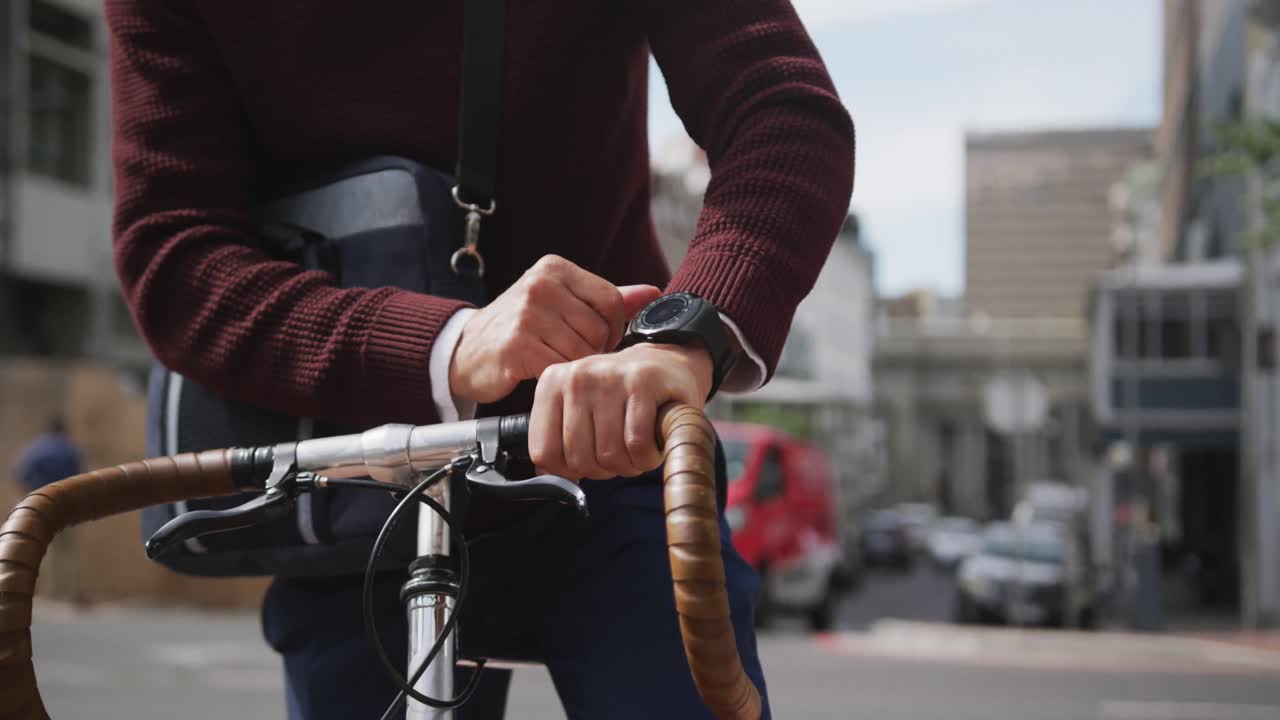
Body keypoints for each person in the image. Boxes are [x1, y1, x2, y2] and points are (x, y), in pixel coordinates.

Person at [106, 1, 854, 718]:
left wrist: (684, 338)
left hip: (603, 436)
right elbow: (176, 256)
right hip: (353, 476)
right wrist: (450, 343)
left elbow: (779, 107)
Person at [12, 417, 84, 602]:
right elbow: (80, 477)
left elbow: (21, 474)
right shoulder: (71, 449)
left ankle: (50, 593)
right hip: (67, 504)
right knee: (69, 551)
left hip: (42, 504)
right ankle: (69, 592)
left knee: (45, 549)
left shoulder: (36, 449)